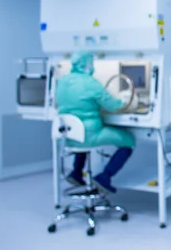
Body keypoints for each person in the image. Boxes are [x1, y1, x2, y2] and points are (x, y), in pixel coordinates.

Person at [56, 51, 136, 194]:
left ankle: (76, 172)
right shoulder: (90, 82)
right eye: (90, 63)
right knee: (128, 141)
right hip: (89, 135)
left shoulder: (62, 81)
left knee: (81, 136)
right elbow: (113, 105)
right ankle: (104, 177)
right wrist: (125, 99)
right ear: (87, 64)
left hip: (69, 135)